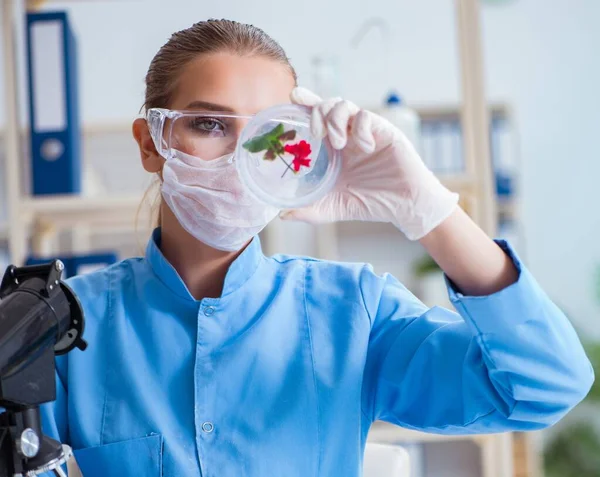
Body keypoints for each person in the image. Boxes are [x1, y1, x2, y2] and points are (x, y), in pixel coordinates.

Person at [41, 19, 593, 477]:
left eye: (265, 135)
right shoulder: (62, 325)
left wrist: (428, 211)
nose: (239, 158)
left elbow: (545, 384)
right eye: (210, 124)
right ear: (151, 144)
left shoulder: (351, 310)